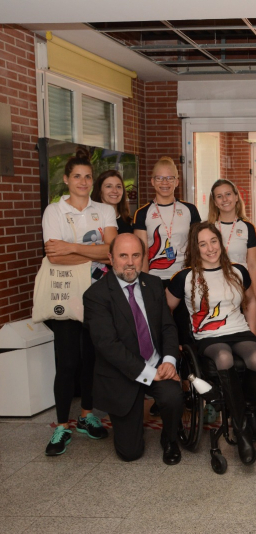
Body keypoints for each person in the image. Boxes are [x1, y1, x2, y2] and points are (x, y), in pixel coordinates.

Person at [166, 222, 256, 465]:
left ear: (220, 243)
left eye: (213, 241)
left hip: (239, 331)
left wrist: (252, 333)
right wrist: (174, 342)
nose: (210, 248)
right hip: (208, 337)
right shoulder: (185, 277)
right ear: (195, 248)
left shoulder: (238, 271)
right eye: (203, 244)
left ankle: (250, 409)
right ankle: (242, 433)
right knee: (224, 358)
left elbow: (251, 302)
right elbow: (166, 312)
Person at [41, 148, 116, 456]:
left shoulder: (104, 210)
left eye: (87, 176)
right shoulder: (54, 211)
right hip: (65, 293)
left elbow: (111, 250)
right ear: (66, 179)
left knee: (91, 360)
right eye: (77, 176)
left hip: (97, 295)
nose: (83, 182)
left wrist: (74, 247)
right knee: (67, 361)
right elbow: (53, 254)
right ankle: (61, 426)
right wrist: (94, 248)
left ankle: (86, 416)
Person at [83, 234, 183, 465]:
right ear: (110, 258)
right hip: (121, 373)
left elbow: (168, 327)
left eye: (135, 255)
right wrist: (150, 373)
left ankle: (169, 439)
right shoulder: (95, 296)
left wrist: (168, 361)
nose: (130, 262)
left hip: (156, 361)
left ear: (143, 258)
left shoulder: (154, 285)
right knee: (130, 453)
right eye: (123, 255)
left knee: (172, 396)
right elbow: (108, 346)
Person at [133, 156, 201, 286]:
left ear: (177, 182)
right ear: (152, 181)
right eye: (159, 178)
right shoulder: (142, 213)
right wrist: (145, 284)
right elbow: (142, 252)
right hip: (155, 278)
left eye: (170, 178)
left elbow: (196, 247)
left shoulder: (190, 210)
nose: (165, 182)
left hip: (185, 276)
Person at [208, 179, 256, 304]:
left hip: (240, 288)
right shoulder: (208, 228)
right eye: (219, 196)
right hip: (213, 289)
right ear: (215, 202)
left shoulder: (248, 228)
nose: (224, 199)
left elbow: (252, 265)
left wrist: (254, 298)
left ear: (236, 197)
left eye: (228, 194)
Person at [92, 169, 133, 234]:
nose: (115, 191)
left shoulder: (130, 222)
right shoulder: (90, 219)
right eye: (109, 186)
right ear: (99, 191)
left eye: (118, 187)